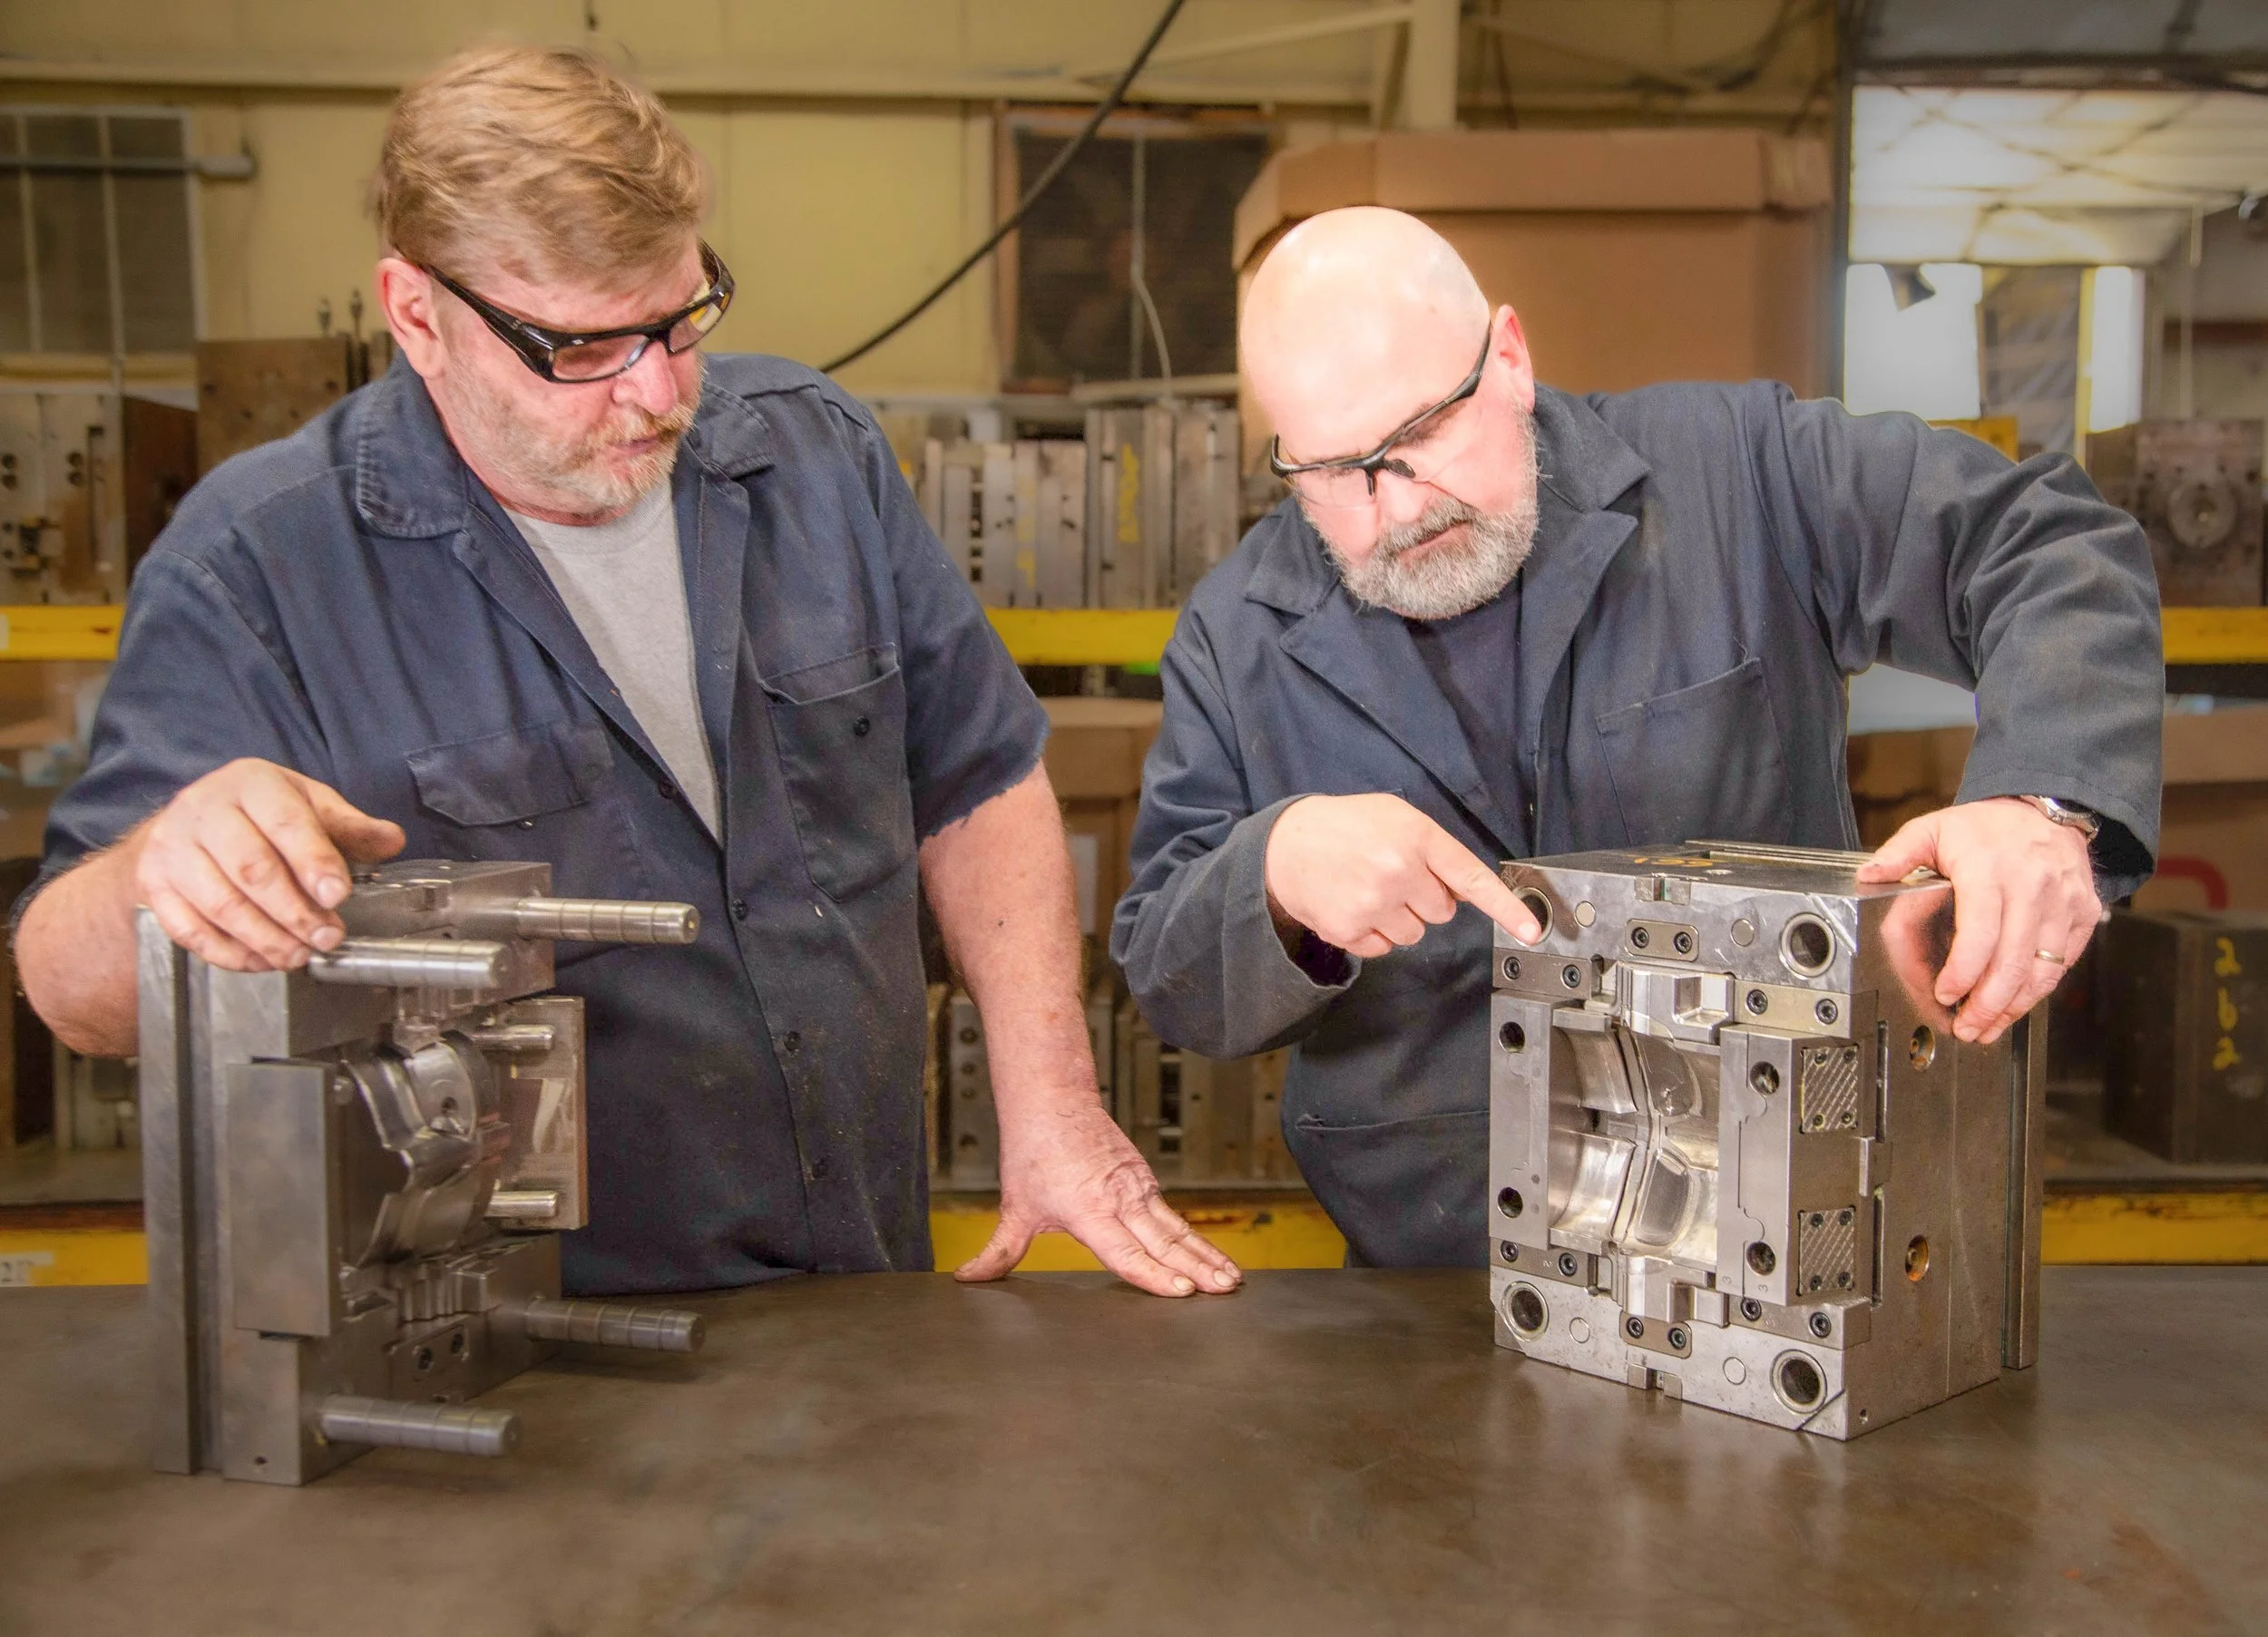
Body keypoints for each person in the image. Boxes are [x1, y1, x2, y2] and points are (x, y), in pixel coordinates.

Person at [14, 46, 1238, 1301]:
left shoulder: (814, 457)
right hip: (517, 1354)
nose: (658, 393)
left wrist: (1050, 1107)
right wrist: (167, 867)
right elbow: (74, 991)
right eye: (584, 348)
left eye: (681, 317)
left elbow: (979, 780)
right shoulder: (259, 568)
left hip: (864, 1286)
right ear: (417, 312)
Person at [1113, 206, 2161, 1267]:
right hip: (1435, 1277)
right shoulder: (1237, 631)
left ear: (1510, 359)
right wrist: (1276, 880)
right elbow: (1169, 969)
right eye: (1335, 471)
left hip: (1780, 1240)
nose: (1396, 506)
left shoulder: (1734, 477)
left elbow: (2040, 541)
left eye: (1423, 432)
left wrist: (2041, 802)